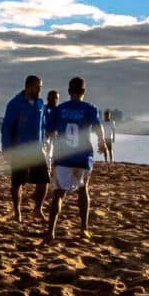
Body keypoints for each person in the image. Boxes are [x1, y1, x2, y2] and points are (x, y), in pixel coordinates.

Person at [45, 76, 105, 241]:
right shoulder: (90, 108)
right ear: (83, 92)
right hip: (82, 157)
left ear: (69, 91)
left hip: (62, 156)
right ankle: (83, 228)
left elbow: (49, 132)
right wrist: (102, 143)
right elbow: (99, 128)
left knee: (58, 194)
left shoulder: (60, 109)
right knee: (83, 190)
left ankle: (51, 231)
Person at [0, 74, 49, 221]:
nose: (39, 91)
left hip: (37, 150)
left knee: (43, 182)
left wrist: (44, 143)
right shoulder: (15, 104)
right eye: (37, 87)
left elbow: (43, 126)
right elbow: (6, 128)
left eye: (40, 88)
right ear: (28, 87)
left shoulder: (40, 104)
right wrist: (6, 149)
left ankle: (37, 209)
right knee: (17, 183)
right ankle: (17, 212)